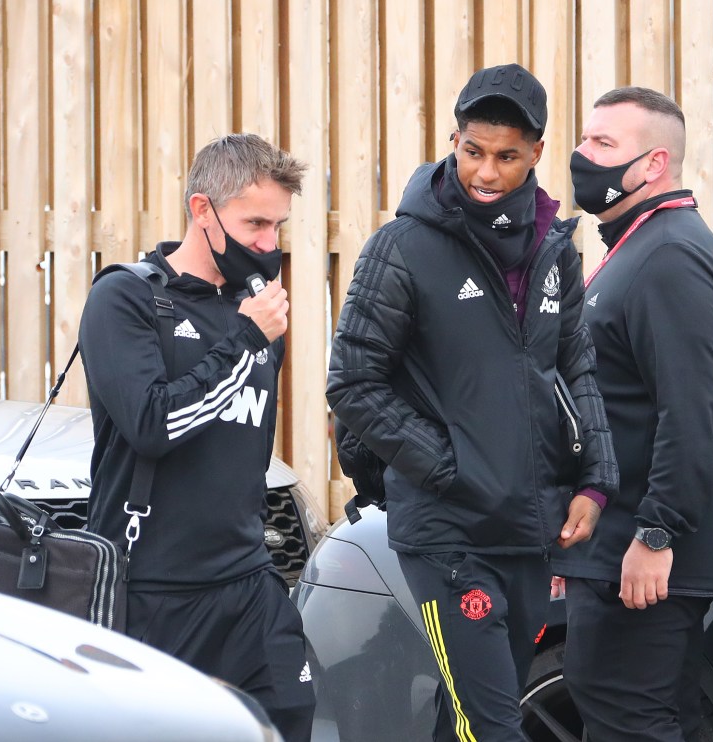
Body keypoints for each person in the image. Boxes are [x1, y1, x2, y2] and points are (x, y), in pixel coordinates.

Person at [326, 63, 619, 742]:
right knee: (490, 726)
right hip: (447, 531)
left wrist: (596, 482)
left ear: (537, 155)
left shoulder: (554, 251)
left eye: (507, 157)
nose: (486, 172)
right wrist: (451, 468)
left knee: (470, 717)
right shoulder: (401, 248)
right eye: (473, 152)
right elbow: (352, 383)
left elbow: (576, 366)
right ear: (454, 141)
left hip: (530, 524)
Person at [78, 134, 316, 741]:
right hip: (155, 591)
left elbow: (250, 446)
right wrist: (243, 341)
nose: (269, 244)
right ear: (202, 210)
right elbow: (155, 426)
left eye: (278, 226)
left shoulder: (255, 310)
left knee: (289, 719)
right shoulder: (126, 297)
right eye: (254, 223)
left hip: (249, 582)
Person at [550, 87, 713, 741]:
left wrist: (655, 535)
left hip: (639, 560)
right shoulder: (637, 246)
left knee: (627, 717)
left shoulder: (668, 256)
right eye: (584, 139)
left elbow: (689, 412)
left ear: (655, 164)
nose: (583, 154)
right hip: (613, 551)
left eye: (604, 144)